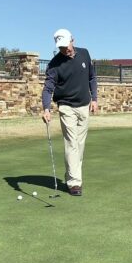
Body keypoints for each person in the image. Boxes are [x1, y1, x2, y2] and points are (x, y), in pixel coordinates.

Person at [42, 28, 98, 196]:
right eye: (60, 47)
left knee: (79, 145)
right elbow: (47, 88)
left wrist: (94, 99)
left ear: (72, 40)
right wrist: (46, 108)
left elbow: (92, 77)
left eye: (66, 45)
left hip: (84, 105)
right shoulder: (54, 64)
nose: (64, 49)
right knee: (71, 143)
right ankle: (74, 183)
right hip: (66, 106)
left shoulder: (84, 54)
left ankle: (70, 175)